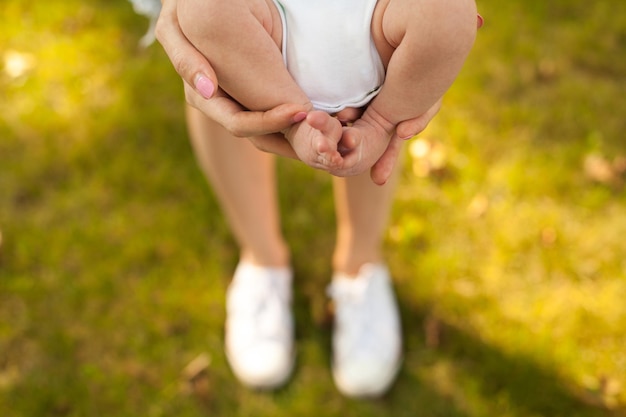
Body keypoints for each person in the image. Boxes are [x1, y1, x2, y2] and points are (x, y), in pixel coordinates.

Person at [147, 0, 482, 397]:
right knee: (204, 15)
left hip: (373, 13)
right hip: (270, 13)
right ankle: (263, 257)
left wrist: (439, 44)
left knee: (447, 11)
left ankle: (361, 260)